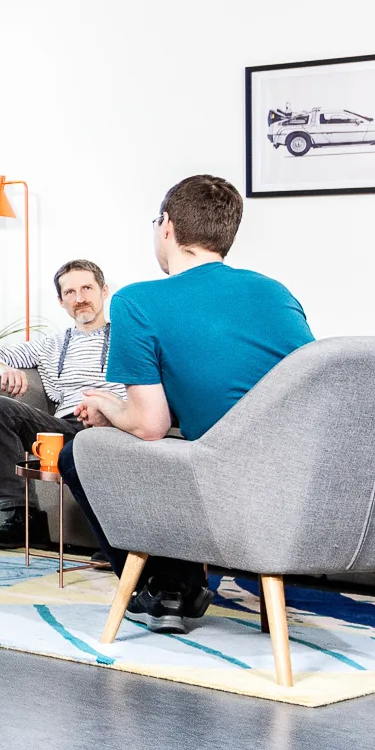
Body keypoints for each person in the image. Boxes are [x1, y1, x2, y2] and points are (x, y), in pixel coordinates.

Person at [62, 174, 315, 633]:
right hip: (301, 487)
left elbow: (150, 424)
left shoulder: (139, 300)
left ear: (167, 227)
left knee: (79, 452)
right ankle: (178, 585)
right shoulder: (275, 292)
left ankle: (161, 589)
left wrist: (109, 411)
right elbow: (278, 393)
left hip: (229, 487)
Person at [0, 259, 114, 552]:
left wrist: (109, 411)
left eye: (87, 288)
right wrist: (1, 367)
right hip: (65, 428)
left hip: (112, 427)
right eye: (70, 293)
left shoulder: (128, 338)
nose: (80, 299)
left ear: (104, 290)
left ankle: (116, 539)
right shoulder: (51, 344)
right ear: (61, 301)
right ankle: (23, 518)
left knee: (108, 433)